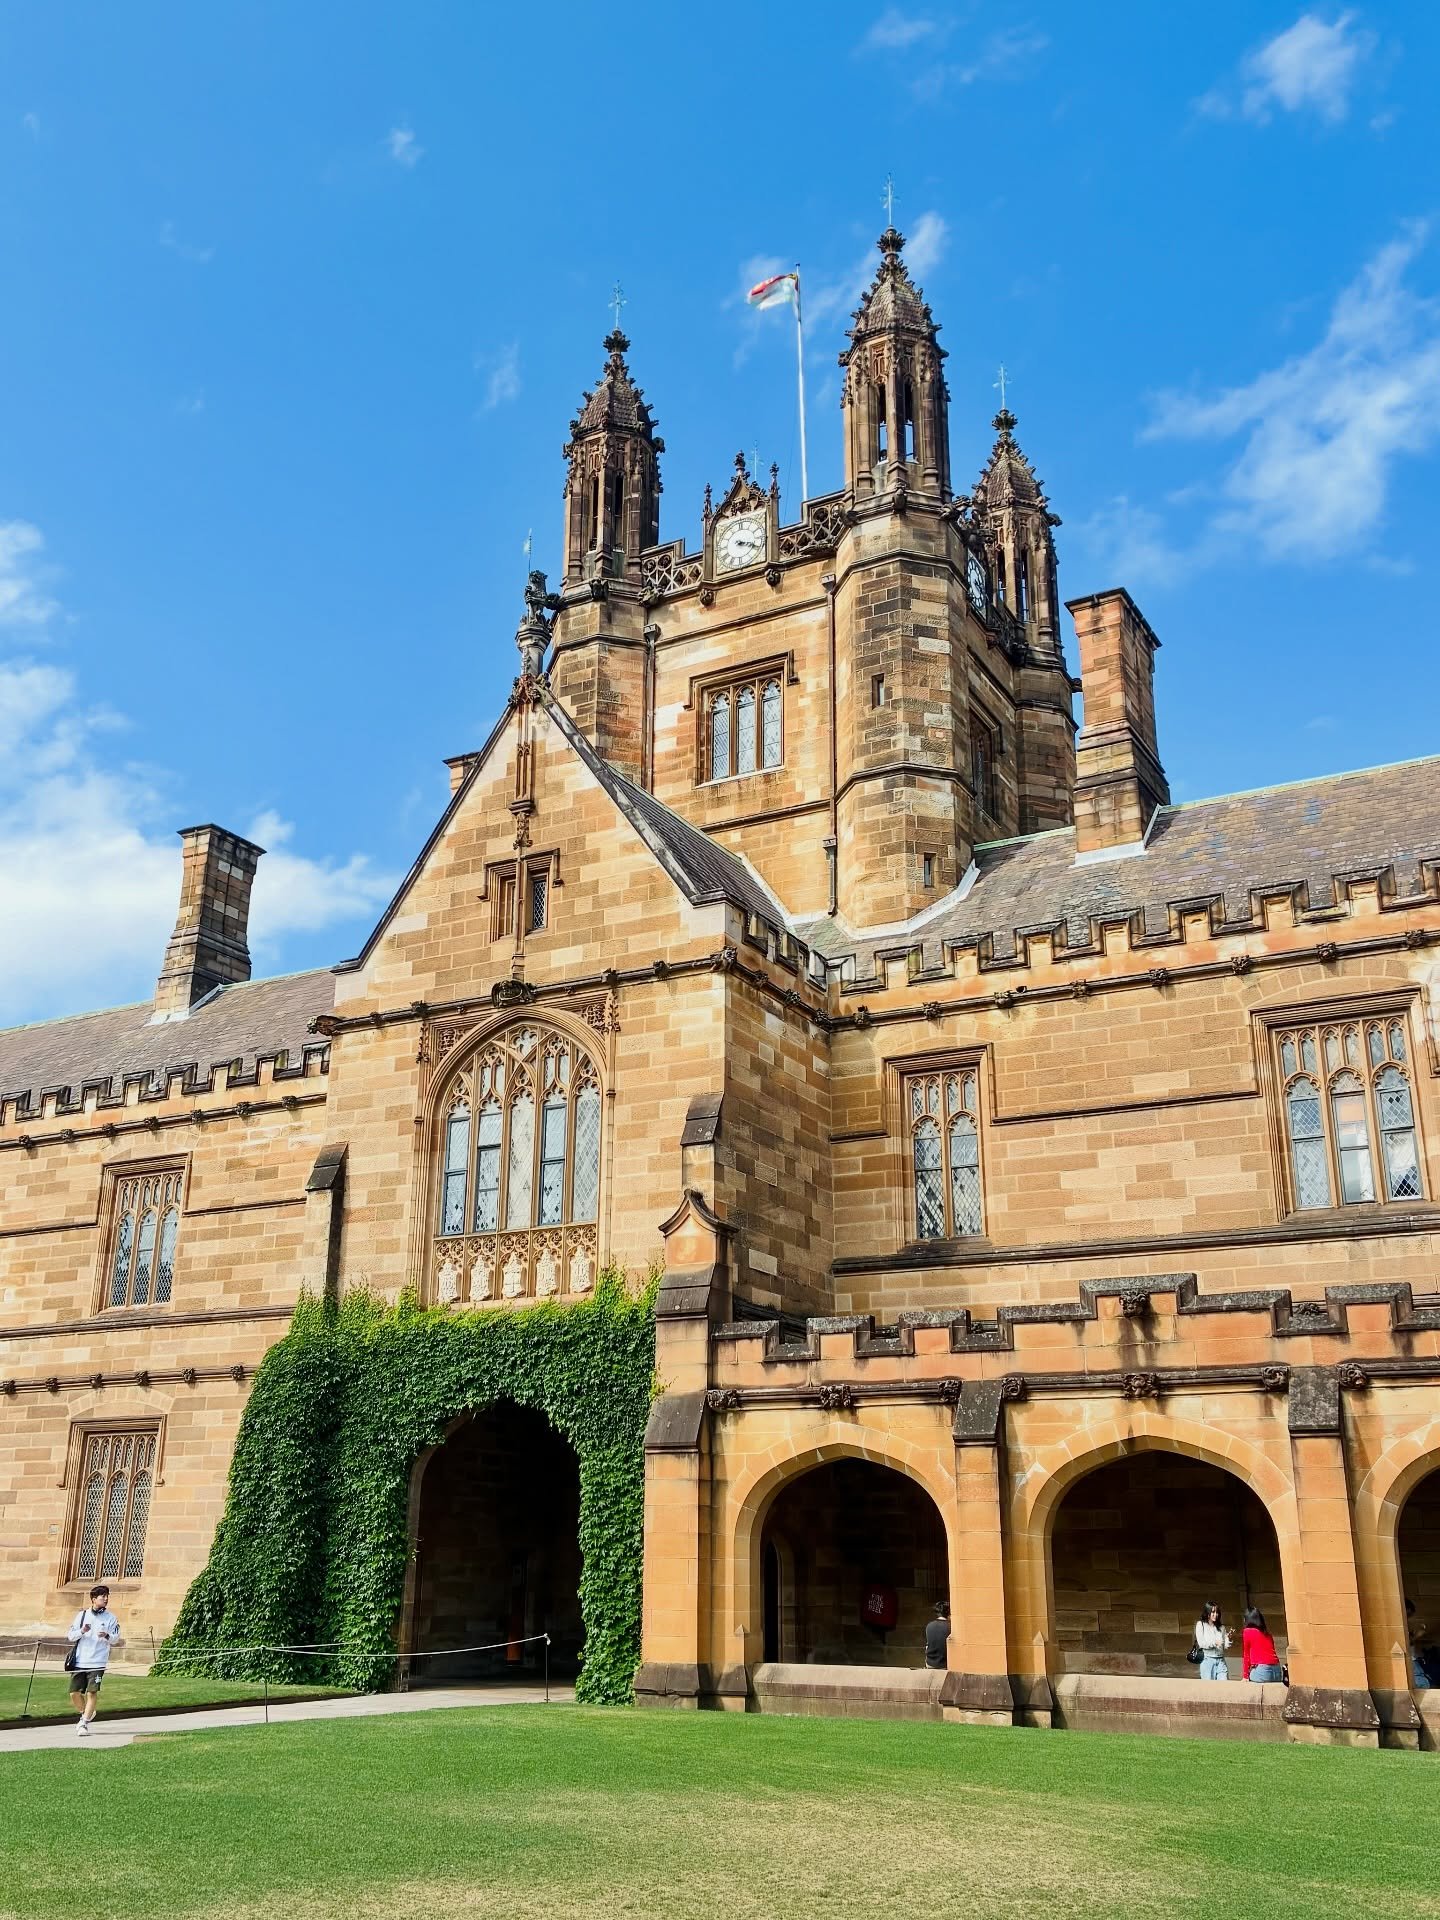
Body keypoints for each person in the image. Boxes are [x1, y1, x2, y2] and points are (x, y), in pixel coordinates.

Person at [67, 1583, 122, 1735]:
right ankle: (86, 1712)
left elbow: (116, 1638)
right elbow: (71, 1635)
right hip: (80, 1660)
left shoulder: (111, 1618)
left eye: (106, 1596)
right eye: (102, 1596)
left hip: (98, 1661)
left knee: (92, 1692)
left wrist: (107, 1636)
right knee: (74, 1693)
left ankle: (84, 1723)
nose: (105, 1599)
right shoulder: (82, 1615)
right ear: (93, 1599)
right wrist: (82, 1631)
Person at [1241, 1606, 1283, 1684]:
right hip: (1277, 1670)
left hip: (1262, 1671)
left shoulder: (1247, 1631)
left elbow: (1246, 1655)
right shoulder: (1267, 1633)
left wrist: (1245, 1676)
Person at [1193, 1600, 1232, 1681]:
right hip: (1207, 1660)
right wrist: (1215, 1643)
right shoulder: (1201, 1625)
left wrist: (1228, 1639)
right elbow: (1201, 1643)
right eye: (1213, 1612)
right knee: (1209, 1689)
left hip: (1221, 1661)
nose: (1215, 1615)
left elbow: (1225, 1646)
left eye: (1217, 1612)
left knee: (1224, 1686)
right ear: (1207, 1612)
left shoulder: (1221, 1627)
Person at [924, 1601, 951, 1670]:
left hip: (930, 1663)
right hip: (944, 1665)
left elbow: (928, 1645)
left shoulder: (929, 1625)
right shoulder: (951, 1627)